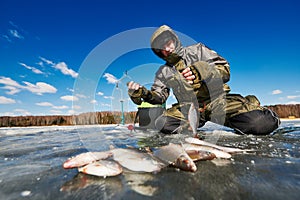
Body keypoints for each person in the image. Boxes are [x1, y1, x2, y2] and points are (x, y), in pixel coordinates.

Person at [127, 25, 280, 135]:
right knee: (161, 124)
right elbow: (159, 96)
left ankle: (250, 104)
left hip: (217, 101)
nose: (166, 49)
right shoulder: (163, 71)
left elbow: (225, 72)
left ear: (174, 39)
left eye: (168, 42)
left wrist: (201, 70)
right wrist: (142, 93)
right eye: (161, 48)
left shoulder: (198, 50)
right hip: (189, 108)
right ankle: (190, 126)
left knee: (260, 124)